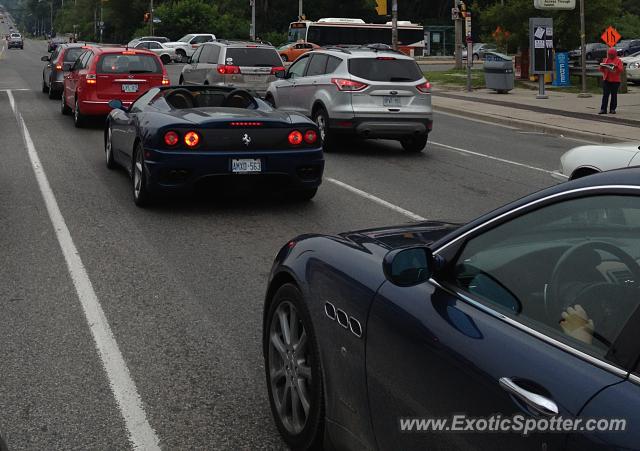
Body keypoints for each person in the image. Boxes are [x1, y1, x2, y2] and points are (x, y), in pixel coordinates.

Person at [598, 47, 623, 115]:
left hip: (615, 81)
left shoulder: (618, 61)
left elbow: (621, 70)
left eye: (612, 54)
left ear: (615, 54)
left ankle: (612, 109)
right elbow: (601, 70)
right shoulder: (605, 60)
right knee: (605, 94)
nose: (610, 56)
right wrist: (602, 66)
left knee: (614, 95)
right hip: (606, 80)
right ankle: (603, 109)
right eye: (609, 54)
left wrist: (616, 66)